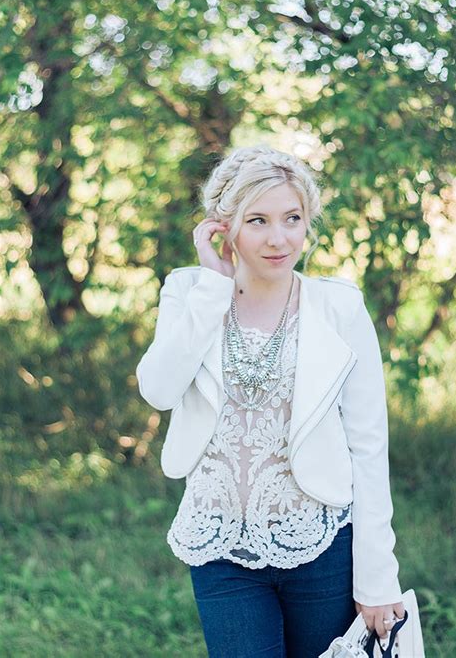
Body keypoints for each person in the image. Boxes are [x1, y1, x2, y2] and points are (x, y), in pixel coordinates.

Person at [136, 144, 406, 657]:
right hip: (220, 548)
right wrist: (213, 291)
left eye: (293, 218)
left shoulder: (340, 307)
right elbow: (159, 389)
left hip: (322, 547)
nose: (278, 239)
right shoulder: (188, 292)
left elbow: (369, 447)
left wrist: (377, 578)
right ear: (225, 224)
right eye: (257, 220)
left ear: (309, 223)